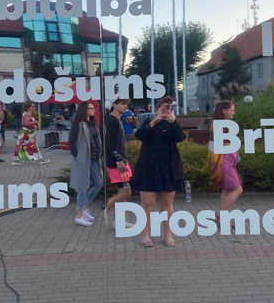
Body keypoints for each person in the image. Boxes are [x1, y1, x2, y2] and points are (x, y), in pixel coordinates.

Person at [134, 96, 186, 247]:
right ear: (156, 109)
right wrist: (154, 121)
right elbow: (139, 135)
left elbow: (181, 137)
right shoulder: (148, 123)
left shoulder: (172, 125)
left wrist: (173, 121)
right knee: (147, 203)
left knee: (167, 203)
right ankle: (145, 235)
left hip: (168, 168)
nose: (164, 111)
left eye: (168, 109)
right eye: (162, 108)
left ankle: (168, 235)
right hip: (148, 167)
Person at [69, 102, 104, 226]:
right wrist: (77, 156)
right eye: (91, 108)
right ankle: (79, 215)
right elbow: (71, 141)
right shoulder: (77, 124)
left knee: (99, 182)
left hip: (94, 158)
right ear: (84, 110)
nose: (94, 110)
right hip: (83, 159)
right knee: (83, 186)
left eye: (93, 108)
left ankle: (85, 207)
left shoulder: (93, 124)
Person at [209, 101, 243, 227]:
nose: (234, 113)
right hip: (225, 161)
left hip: (227, 160)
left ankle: (224, 217)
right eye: (232, 110)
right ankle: (221, 215)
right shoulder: (221, 126)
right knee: (237, 189)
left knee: (227, 190)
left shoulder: (221, 125)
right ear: (224, 111)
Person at [105, 98, 133, 228]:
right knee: (125, 192)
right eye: (122, 104)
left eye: (126, 104)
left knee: (124, 192)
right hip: (117, 163)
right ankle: (106, 209)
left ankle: (119, 220)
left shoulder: (116, 120)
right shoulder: (113, 121)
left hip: (120, 161)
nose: (125, 106)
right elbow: (111, 143)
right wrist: (119, 160)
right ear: (114, 105)